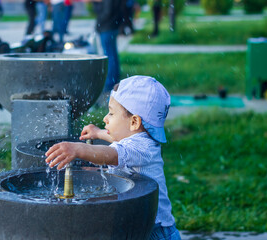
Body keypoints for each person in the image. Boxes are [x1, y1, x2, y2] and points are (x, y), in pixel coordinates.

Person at [45, 75, 181, 240]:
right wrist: (98, 133)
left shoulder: (141, 148)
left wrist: (79, 149)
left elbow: (109, 154)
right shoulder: (139, 139)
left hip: (156, 231)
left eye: (111, 113)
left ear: (134, 122)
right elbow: (120, 140)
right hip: (142, 223)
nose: (105, 118)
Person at [93, 0, 122, 92]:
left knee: (109, 55)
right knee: (112, 54)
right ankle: (114, 79)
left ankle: (110, 83)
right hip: (112, 26)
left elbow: (107, 12)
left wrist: (98, 24)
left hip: (107, 27)